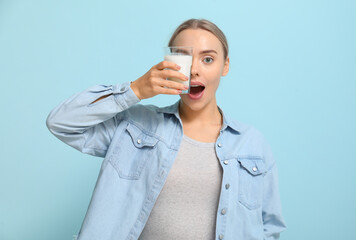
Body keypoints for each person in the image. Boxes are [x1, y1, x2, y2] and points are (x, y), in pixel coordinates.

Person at [46, 18, 286, 240]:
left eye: (208, 59)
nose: (194, 70)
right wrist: (135, 89)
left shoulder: (252, 144)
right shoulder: (135, 126)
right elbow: (61, 122)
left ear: (225, 66)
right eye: (184, 57)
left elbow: (269, 228)